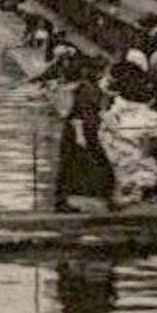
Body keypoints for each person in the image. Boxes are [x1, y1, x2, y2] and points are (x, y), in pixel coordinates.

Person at [97, 61, 157, 209]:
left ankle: (127, 188)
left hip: (127, 162)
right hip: (129, 160)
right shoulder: (150, 116)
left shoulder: (113, 113)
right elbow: (153, 148)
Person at [54, 75, 114, 212]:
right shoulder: (87, 95)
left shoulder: (86, 96)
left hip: (82, 139)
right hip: (81, 140)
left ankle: (77, 198)